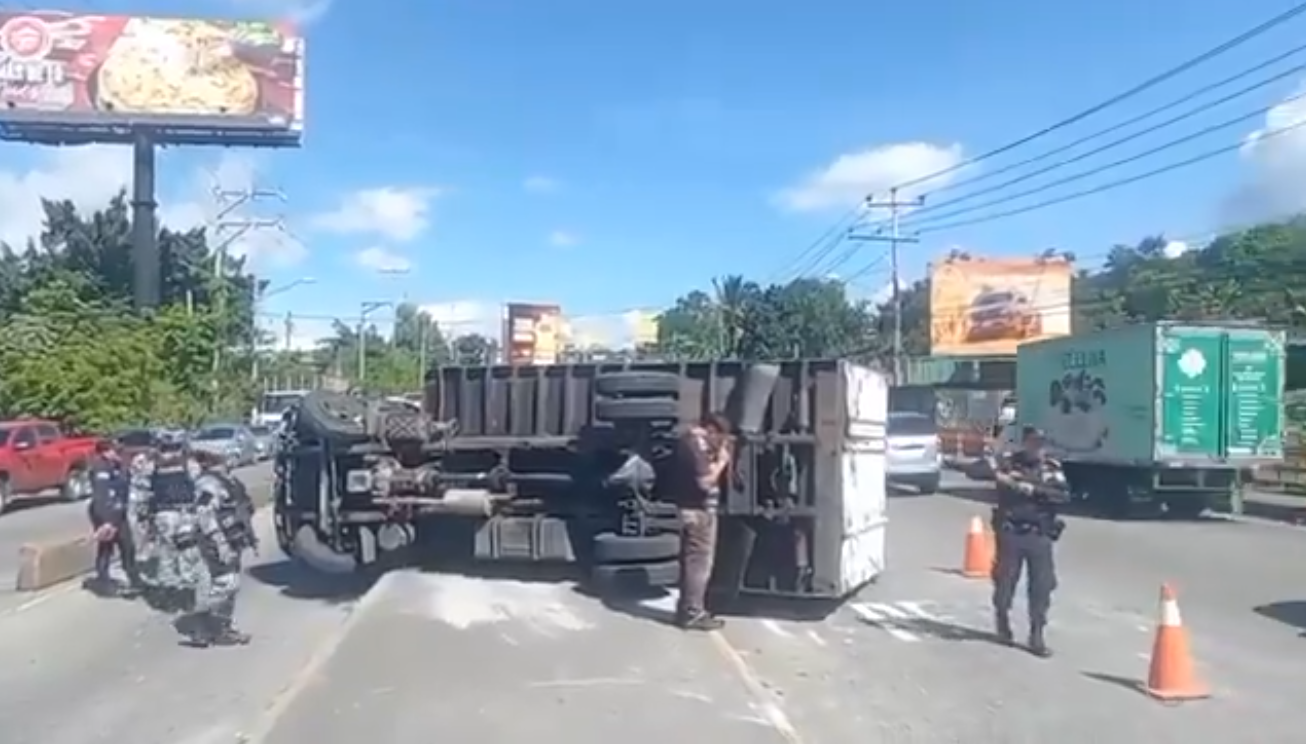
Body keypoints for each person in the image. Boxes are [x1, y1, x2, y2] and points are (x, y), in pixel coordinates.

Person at [992, 425, 1068, 657]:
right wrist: (1001, 477)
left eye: (1040, 444)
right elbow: (980, 471)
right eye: (1033, 443)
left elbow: (1062, 496)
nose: (1037, 448)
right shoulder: (1009, 464)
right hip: (1012, 533)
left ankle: (1037, 635)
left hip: (1039, 534)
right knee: (1005, 583)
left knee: (1042, 586)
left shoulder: (1051, 469)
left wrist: (1032, 489)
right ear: (1024, 443)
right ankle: (1002, 618)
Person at [176, 471, 255, 647]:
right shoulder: (209, 483)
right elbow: (204, 514)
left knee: (230, 587)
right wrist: (220, 543)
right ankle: (201, 625)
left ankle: (222, 628)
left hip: (232, 539)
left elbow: (242, 506)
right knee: (226, 584)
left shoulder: (229, 479)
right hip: (215, 542)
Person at [671, 412, 734, 631]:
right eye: (719, 436)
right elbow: (704, 482)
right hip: (699, 512)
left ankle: (686, 607)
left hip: (692, 510)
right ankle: (692, 612)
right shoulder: (695, 446)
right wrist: (721, 463)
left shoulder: (689, 442)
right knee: (699, 563)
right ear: (710, 429)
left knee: (692, 561)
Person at [139, 437, 201, 611]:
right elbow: (199, 486)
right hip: (183, 513)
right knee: (187, 553)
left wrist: (144, 514)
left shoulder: (152, 464)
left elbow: (143, 490)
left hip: (166, 513)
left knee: (168, 554)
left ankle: (171, 595)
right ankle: (186, 595)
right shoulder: (187, 463)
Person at [86, 441, 144, 596]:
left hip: (119, 514)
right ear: (105, 452)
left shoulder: (119, 467)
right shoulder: (100, 469)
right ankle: (103, 581)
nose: (118, 454)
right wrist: (106, 522)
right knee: (106, 548)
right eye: (114, 451)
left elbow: (126, 486)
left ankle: (135, 580)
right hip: (104, 513)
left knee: (128, 547)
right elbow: (101, 497)